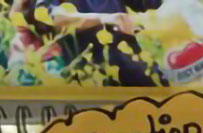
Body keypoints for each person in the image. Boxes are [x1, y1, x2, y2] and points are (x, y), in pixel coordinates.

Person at [40, 0, 168, 86]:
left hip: (135, 64)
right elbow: (52, 16)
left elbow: (149, 3)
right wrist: (103, 18)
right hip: (93, 73)